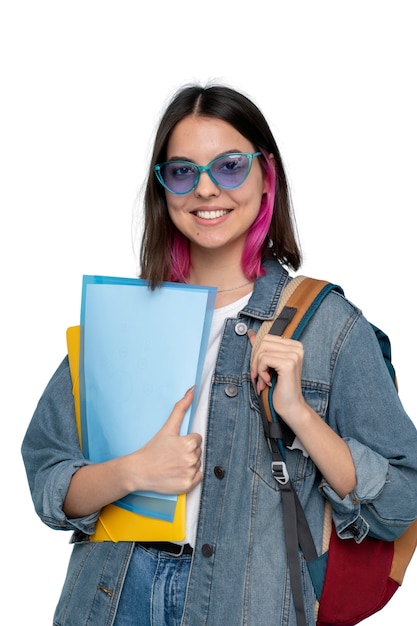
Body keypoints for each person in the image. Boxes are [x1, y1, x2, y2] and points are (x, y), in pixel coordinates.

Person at [22, 84, 417, 626]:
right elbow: (48, 474)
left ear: (265, 174)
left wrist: (300, 414)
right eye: (183, 172)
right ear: (163, 189)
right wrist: (134, 471)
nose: (206, 190)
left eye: (229, 166)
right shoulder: (124, 319)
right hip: (109, 599)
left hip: (244, 604)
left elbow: (402, 502)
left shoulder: (328, 326)